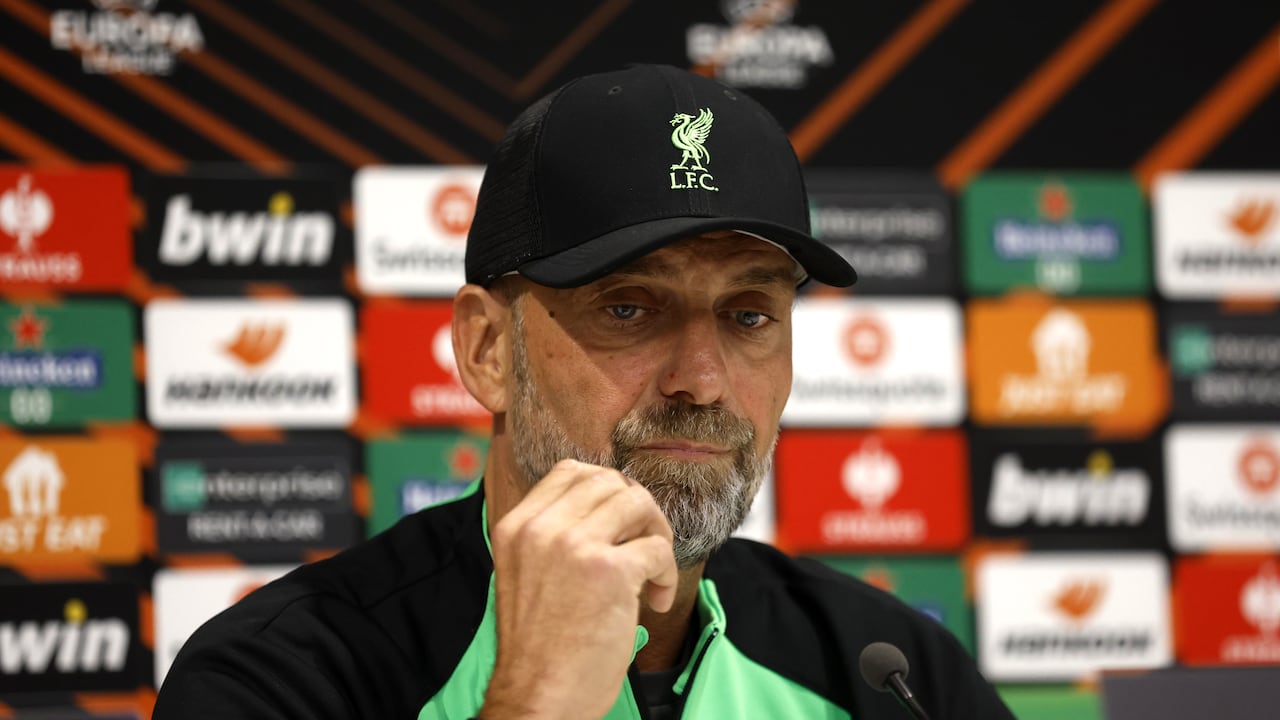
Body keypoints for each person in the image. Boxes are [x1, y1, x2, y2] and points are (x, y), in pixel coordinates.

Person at [155, 63, 1014, 719]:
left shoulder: (887, 669)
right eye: (630, 308)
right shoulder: (284, 676)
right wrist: (535, 701)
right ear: (488, 348)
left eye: (749, 316)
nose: (701, 381)